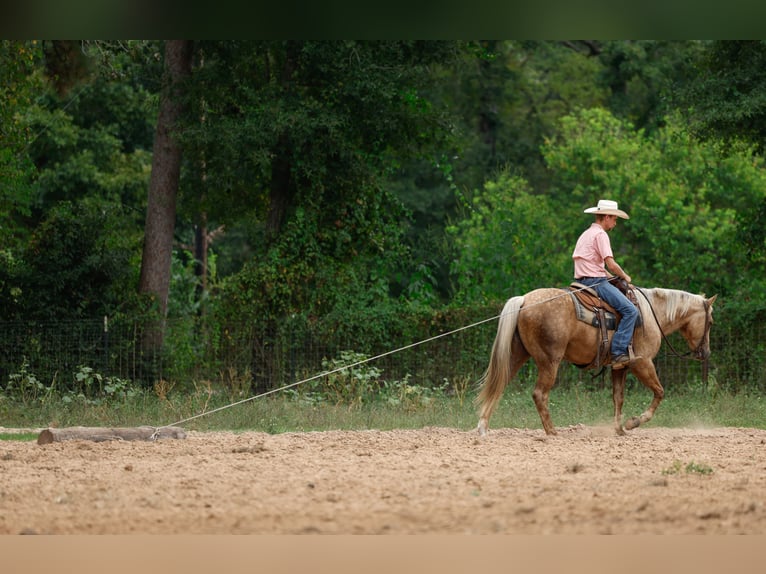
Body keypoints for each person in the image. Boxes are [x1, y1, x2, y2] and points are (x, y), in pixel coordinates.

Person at [572, 199, 639, 369]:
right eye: (615, 219)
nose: (615, 224)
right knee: (631, 311)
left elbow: (597, 266)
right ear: (607, 217)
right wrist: (625, 276)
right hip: (596, 283)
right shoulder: (601, 235)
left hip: (581, 281)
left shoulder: (586, 234)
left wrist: (614, 279)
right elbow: (611, 263)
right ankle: (617, 353)